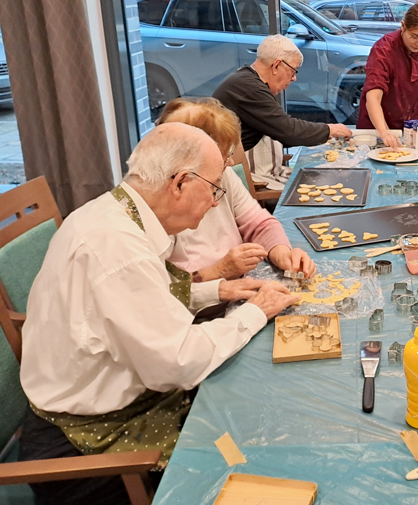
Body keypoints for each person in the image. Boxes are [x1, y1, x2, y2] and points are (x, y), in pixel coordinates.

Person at [18, 123, 300, 505]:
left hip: (104, 402)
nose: (217, 202)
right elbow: (179, 363)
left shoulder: (114, 212)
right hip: (85, 445)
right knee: (259, 456)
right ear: (180, 183)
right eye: (215, 187)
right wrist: (254, 312)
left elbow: (133, 305)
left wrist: (216, 290)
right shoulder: (118, 249)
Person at [156, 98, 316, 284]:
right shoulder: (154, 206)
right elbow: (164, 292)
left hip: (240, 286)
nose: (230, 162)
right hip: (202, 309)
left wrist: (282, 253)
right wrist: (220, 270)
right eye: (224, 154)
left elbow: (259, 224)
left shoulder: (224, 175)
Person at [213, 34, 351, 152]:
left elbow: (282, 132)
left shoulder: (245, 79)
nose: (294, 78)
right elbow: (288, 131)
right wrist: (329, 129)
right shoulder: (250, 88)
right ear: (276, 66)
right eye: (293, 71)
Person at [356, 2, 418, 148]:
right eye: (414, 36)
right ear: (403, 26)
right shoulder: (383, 49)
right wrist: (383, 131)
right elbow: (373, 97)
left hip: (411, 124)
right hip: (376, 125)